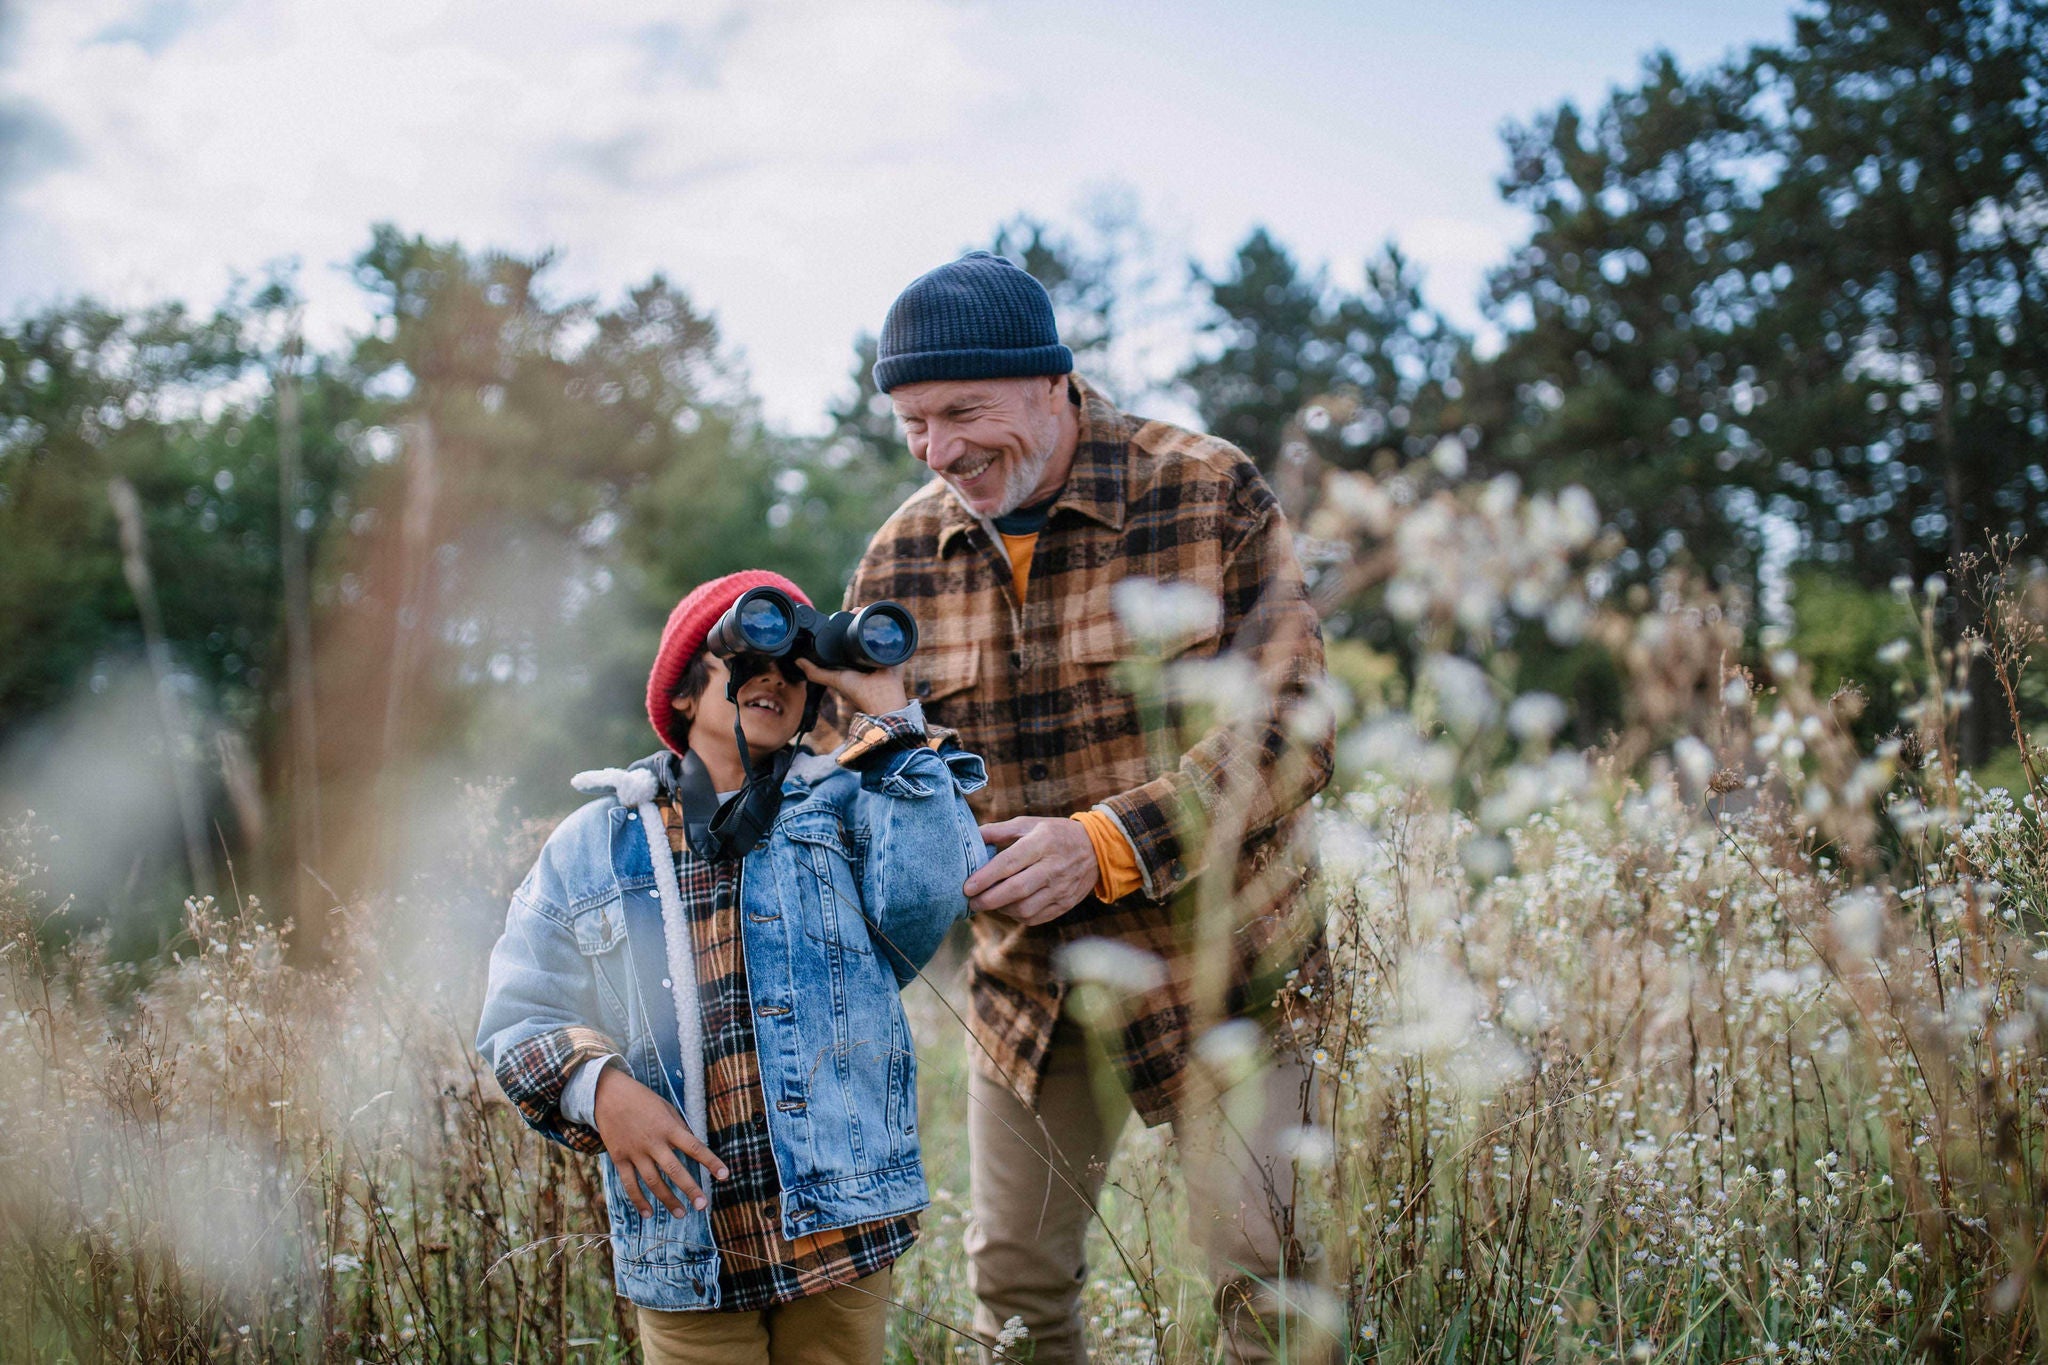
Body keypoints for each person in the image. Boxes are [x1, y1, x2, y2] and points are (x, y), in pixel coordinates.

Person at [845, 253, 1338, 1364]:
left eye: (962, 412)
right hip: (1027, 992)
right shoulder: (900, 557)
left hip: (1225, 972)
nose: (940, 451)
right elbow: (873, 774)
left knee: (1266, 1285)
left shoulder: (1205, 491)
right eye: (911, 424)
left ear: (1052, 380)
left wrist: (1108, 843)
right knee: (1015, 1301)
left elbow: (1293, 724)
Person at [476, 570, 988, 1365]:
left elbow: (929, 895)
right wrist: (601, 1089)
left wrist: (887, 712)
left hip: (839, 1222)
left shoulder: (847, 807)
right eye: (746, 658)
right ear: (683, 692)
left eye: (793, 666)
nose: (773, 679)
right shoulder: (593, 843)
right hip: (687, 1238)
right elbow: (518, 1015)